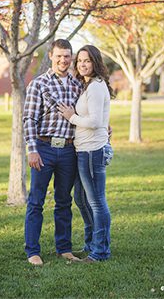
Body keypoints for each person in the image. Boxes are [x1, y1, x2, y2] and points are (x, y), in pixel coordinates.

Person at [23, 39, 87, 265]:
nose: (63, 60)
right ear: (51, 56)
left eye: (67, 56)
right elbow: (29, 118)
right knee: (36, 201)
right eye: (59, 56)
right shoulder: (38, 84)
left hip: (69, 150)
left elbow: (85, 115)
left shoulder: (78, 86)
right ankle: (33, 251)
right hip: (44, 148)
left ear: (72, 58)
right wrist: (32, 150)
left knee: (63, 201)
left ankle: (64, 249)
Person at [59, 45, 114, 262]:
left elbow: (95, 121)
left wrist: (71, 117)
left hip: (92, 151)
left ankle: (100, 251)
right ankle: (93, 244)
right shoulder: (88, 85)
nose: (82, 64)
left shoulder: (96, 87)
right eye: (80, 60)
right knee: (81, 199)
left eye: (87, 60)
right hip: (82, 150)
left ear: (96, 63)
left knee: (97, 202)